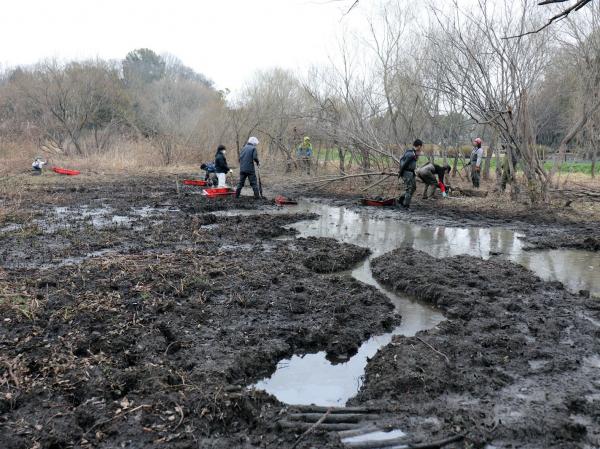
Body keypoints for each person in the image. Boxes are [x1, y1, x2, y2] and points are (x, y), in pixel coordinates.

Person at [398, 139, 423, 209]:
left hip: (411, 173)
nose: (421, 148)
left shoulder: (414, 153)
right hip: (407, 173)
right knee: (409, 189)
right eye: (421, 146)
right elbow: (404, 164)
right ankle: (405, 205)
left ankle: (401, 199)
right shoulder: (410, 154)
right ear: (418, 146)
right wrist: (400, 173)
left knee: (414, 188)